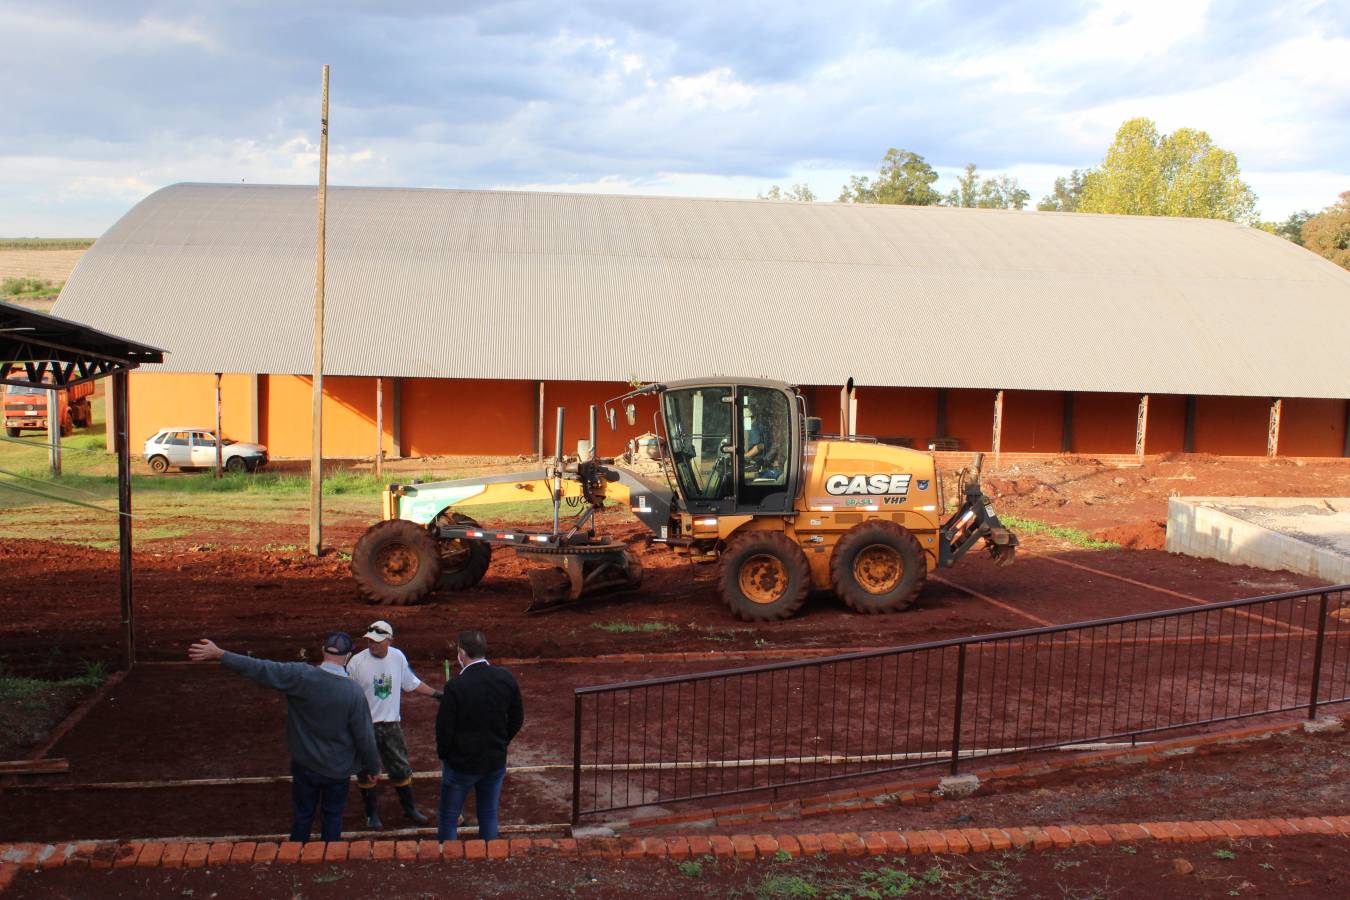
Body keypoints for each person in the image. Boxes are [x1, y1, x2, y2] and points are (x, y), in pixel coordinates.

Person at [187, 632, 381, 843]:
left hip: (305, 765)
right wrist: (372, 767)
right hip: (337, 770)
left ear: (323, 650)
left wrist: (220, 653)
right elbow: (364, 736)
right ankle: (328, 860)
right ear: (348, 656)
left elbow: (258, 668)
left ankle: (296, 856)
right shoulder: (353, 692)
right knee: (333, 816)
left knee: (302, 815)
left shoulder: (299, 676)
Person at [346, 619, 441, 829]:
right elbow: (347, 695)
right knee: (366, 770)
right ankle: (371, 814)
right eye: (370, 640)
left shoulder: (398, 657)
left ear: (389, 640)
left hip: (391, 724)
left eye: (377, 641)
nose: (372, 644)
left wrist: (436, 695)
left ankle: (409, 810)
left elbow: (411, 683)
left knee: (400, 766)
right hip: (366, 726)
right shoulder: (356, 663)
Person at [435, 629, 524, 841]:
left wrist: (446, 754)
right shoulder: (506, 678)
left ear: (462, 653)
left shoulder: (455, 686)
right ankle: (490, 858)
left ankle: (448, 857)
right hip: (493, 760)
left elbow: (444, 729)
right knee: (488, 814)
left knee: (449, 817)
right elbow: (517, 718)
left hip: (460, 764)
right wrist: (501, 741)